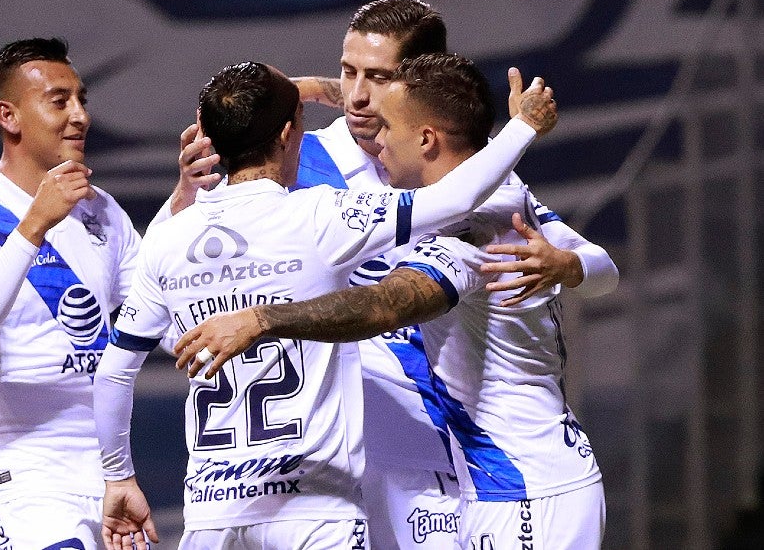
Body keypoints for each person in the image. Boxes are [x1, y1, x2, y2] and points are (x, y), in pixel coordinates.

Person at [166, 0, 618, 550]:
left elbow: (597, 265)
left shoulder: (473, 186)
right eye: (347, 72)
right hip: (372, 451)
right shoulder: (300, 160)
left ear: (415, 87)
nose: (357, 97)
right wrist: (185, 195)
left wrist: (569, 264)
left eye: (377, 78)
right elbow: (198, 253)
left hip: (483, 461)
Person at [93, 57, 555, 550]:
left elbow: (114, 373)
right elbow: (454, 198)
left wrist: (118, 478)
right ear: (290, 134)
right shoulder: (321, 216)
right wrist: (523, 125)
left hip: (213, 514)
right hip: (315, 512)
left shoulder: (166, 240)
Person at [0, 37, 147, 550]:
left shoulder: (101, 210)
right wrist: (35, 224)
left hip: (109, 481)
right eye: (60, 101)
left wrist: (183, 214)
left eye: (82, 100)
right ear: (9, 116)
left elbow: (161, 327)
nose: (80, 116)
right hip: (20, 487)